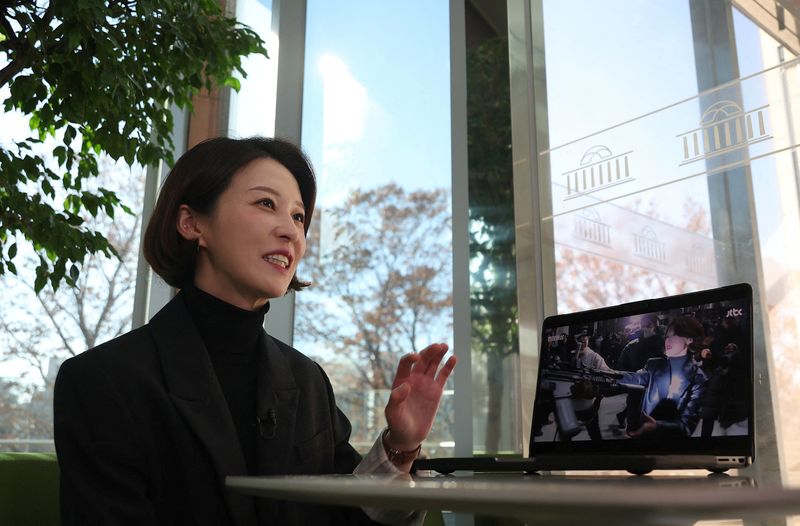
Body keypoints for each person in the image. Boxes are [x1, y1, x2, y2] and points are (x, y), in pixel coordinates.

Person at [53, 137, 457, 526]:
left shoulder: (308, 379)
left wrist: (399, 446)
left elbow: (349, 517)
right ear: (192, 223)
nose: (291, 231)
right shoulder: (101, 381)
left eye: (298, 216)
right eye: (267, 203)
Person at [620, 316, 708, 438]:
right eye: (667, 337)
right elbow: (631, 377)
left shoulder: (699, 379)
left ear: (689, 339)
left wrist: (657, 426)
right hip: (638, 425)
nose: (668, 341)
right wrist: (601, 377)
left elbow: (686, 426)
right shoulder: (653, 364)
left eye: (673, 336)